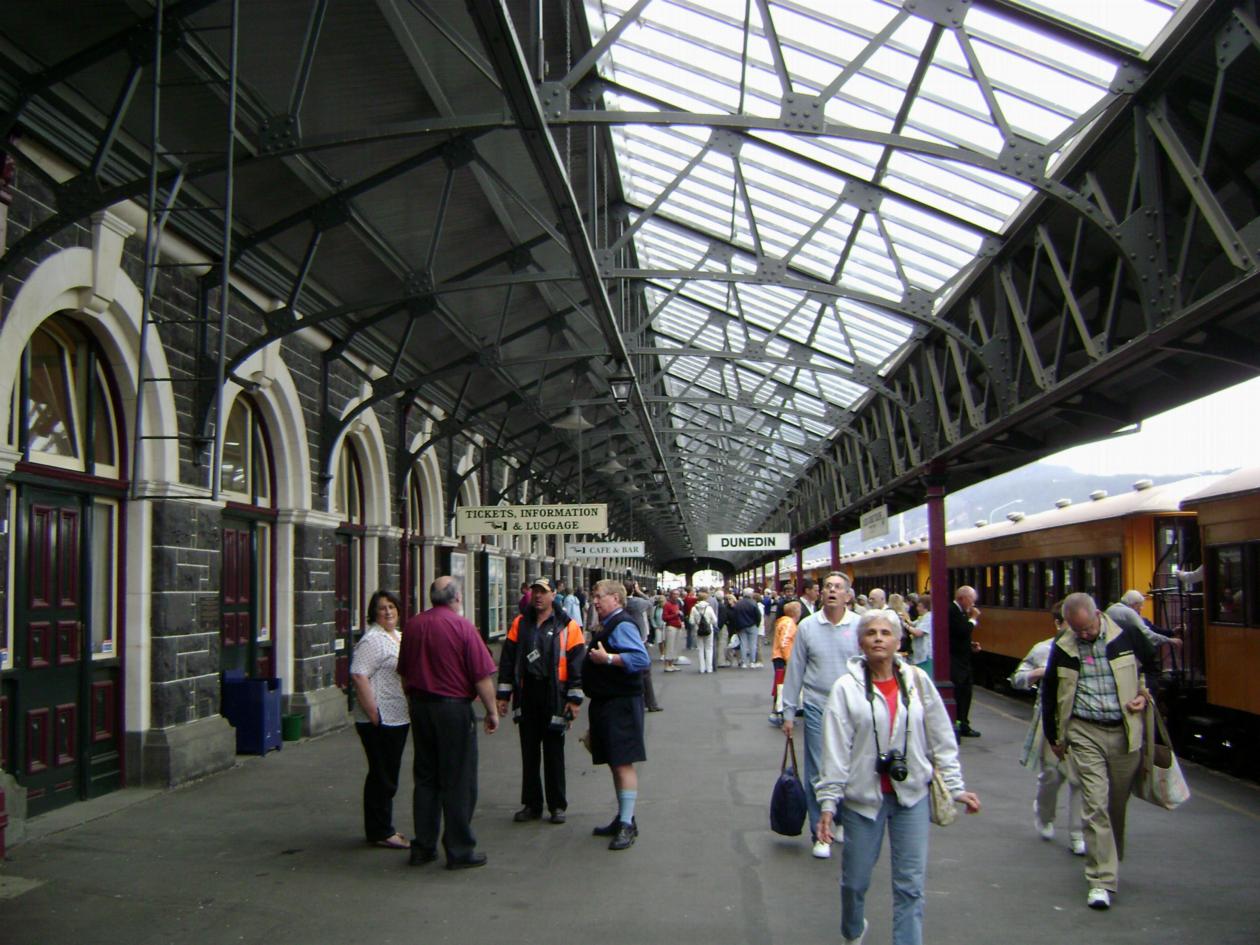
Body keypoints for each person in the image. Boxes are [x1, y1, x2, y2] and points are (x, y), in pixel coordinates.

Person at [815, 613, 981, 945]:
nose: (878, 638)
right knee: (855, 882)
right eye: (871, 633)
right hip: (863, 799)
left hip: (912, 797)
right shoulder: (846, 688)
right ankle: (853, 928)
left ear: (897, 641)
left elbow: (941, 737)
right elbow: (835, 749)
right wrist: (828, 804)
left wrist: (955, 786)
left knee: (910, 886)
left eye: (885, 633)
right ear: (861, 642)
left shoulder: (918, 681)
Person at [1041, 592, 1155, 910]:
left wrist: (1145, 694)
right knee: (1095, 805)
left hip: (1124, 731)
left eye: (1088, 628)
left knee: (1115, 804)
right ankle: (1100, 880)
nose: (1084, 635)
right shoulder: (1064, 646)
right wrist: (1054, 736)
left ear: (1097, 615)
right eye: (1077, 630)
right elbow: (1050, 691)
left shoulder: (1126, 634)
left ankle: (1109, 857)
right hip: (1084, 730)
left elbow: (1154, 666)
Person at [397, 576, 499, 870]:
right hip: (453, 710)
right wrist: (492, 711)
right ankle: (459, 849)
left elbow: (404, 671)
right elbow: (481, 676)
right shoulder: (463, 627)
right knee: (458, 780)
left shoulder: (413, 626)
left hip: (421, 706)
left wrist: (413, 701)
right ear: (457, 598)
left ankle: (423, 846)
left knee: (426, 778)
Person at [781, 571, 862, 859]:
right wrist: (788, 710)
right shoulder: (807, 627)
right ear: (821, 593)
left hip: (852, 708)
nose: (832, 591)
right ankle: (820, 832)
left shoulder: (859, 626)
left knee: (850, 767)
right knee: (817, 769)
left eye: (838, 587)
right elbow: (796, 669)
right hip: (817, 704)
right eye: (827, 586)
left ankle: (840, 818)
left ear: (847, 595)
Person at [496, 577, 586, 825]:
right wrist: (503, 695)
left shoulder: (568, 625)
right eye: (535, 591)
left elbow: (577, 664)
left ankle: (557, 805)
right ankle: (532, 804)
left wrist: (574, 699)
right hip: (528, 693)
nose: (538, 596)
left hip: (554, 694)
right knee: (529, 751)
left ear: (553, 595)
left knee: (554, 752)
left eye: (543, 592)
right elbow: (508, 660)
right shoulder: (520, 623)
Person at [1011, 602, 1084, 856]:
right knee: (1052, 775)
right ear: (1058, 624)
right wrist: (1038, 673)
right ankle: (1044, 813)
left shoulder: (1090, 650)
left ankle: (1077, 833)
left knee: (1079, 779)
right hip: (1051, 722)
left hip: (1082, 724)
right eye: (1069, 623)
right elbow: (1017, 678)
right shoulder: (1044, 649)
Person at [584, 579, 652, 851]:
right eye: (593, 596)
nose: (595, 601)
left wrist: (609, 659)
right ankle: (624, 816)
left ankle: (627, 824)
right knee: (615, 761)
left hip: (620, 703)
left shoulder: (622, 624)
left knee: (622, 762)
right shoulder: (608, 624)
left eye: (599, 596)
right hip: (607, 702)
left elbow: (641, 659)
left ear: (615, 598)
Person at [349, 589, 410, 849]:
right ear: (374, 613)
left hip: (397, 715)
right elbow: (358, 674)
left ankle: (380, 827)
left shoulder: (398, 636)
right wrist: (374, 713)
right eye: (382, 608)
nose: (388, 612)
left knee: (388, 772)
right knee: (382, 774)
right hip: (381, 718)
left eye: (391, 607)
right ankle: (381, 831)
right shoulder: (373, 639)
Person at [948, 586, 982, 737]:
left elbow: (959, 636)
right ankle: (961, 724)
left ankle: (963, 723)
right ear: (962, 598)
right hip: (956, 661)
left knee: (965, 693)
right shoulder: (952, 611)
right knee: (960, 693)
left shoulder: (959, 612)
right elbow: (962, 631)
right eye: (971, 600)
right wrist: (973, 619)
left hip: (962, 660)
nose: (973, 604)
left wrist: (970, 645)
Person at [625, 581, 663, 711]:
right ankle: (650, 703)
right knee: (645, 671)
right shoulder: (637, 603)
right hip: (640, 640)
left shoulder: (621, 603)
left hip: (625, 639)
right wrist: (639, 591)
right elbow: (651, 601)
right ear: (633, 590)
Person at [769, 600, 801, 726]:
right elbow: (785, 642)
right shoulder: (789, 624)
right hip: (782, 658)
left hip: (779, 657)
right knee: (783, 686)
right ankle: (779, 713)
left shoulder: (784, 622)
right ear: (795, 612)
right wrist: (789, 660)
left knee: (780, 685)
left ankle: (778, 712)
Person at [732, 587, 763, 668]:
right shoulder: (753, 603)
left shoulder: (738, 603)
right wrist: (757, 624)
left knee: (743, 644)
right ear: (751, 594)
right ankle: (752, 662)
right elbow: (758, 615)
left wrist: (736, 626)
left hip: (741, 626)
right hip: (752, 625)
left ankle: (744, 662)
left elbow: (734, 615)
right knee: (753, 644)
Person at [689, 590, 718, 673]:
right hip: (709, 630)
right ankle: (709, 668)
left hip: (698, 630)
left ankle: (702, 668)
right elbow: (715, 620)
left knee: (700, 649)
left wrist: (697, 623)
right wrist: (709, 623)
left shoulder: (694, 609)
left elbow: (691, 621)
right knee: (709, 648)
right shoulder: (709, 608)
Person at [907, 596, 932, 677]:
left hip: (925, 656)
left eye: (919, 606)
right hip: (919, 655)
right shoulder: (923, 617)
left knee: (925, 677)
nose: (917, 608)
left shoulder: (929, 617)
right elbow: (913, 624)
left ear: (926, 607)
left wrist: (906, 626)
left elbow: (918, 632)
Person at [661, 588, 684, 673]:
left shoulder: (677, 604)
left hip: (678, 626)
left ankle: (671, 663)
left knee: (675, 646)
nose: (676, 596)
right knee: (669, 646)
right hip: (671, 627)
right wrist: (675, 614)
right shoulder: (667, 605)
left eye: (677, 594)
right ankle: (667, 664)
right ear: (671, 595)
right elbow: (664, 617)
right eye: (674, 594)